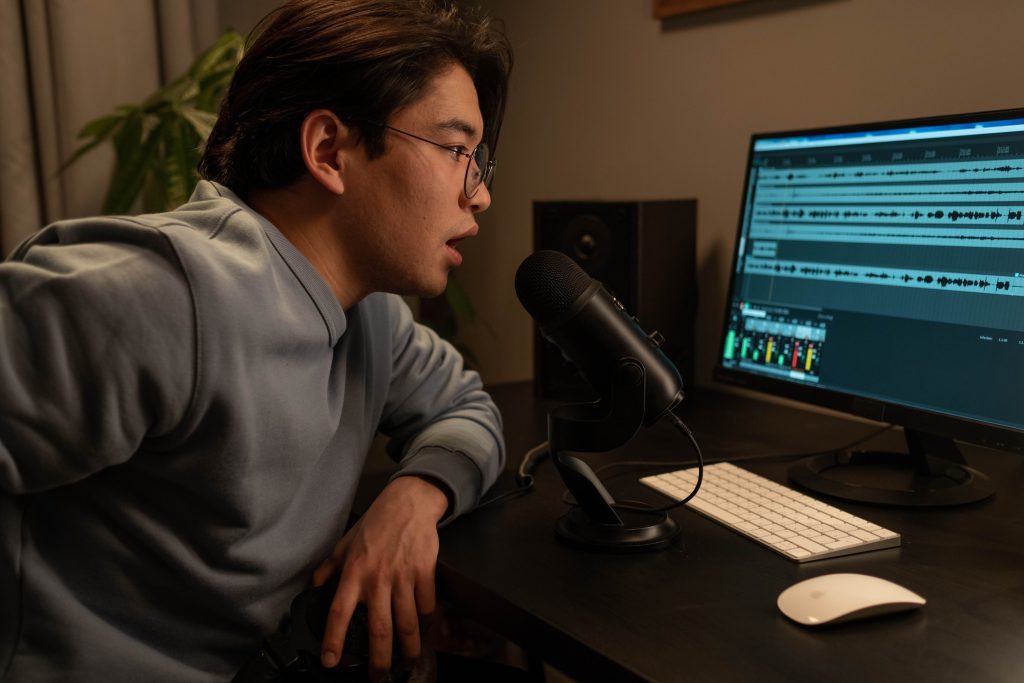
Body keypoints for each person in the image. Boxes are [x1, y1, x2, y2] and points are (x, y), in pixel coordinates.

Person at [0, 0, 513, 681]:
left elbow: (468, 407)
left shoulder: (373, 316)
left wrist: (415, 496)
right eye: (456, 151)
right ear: (329, 149)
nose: (479, 196)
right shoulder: (160, 295)